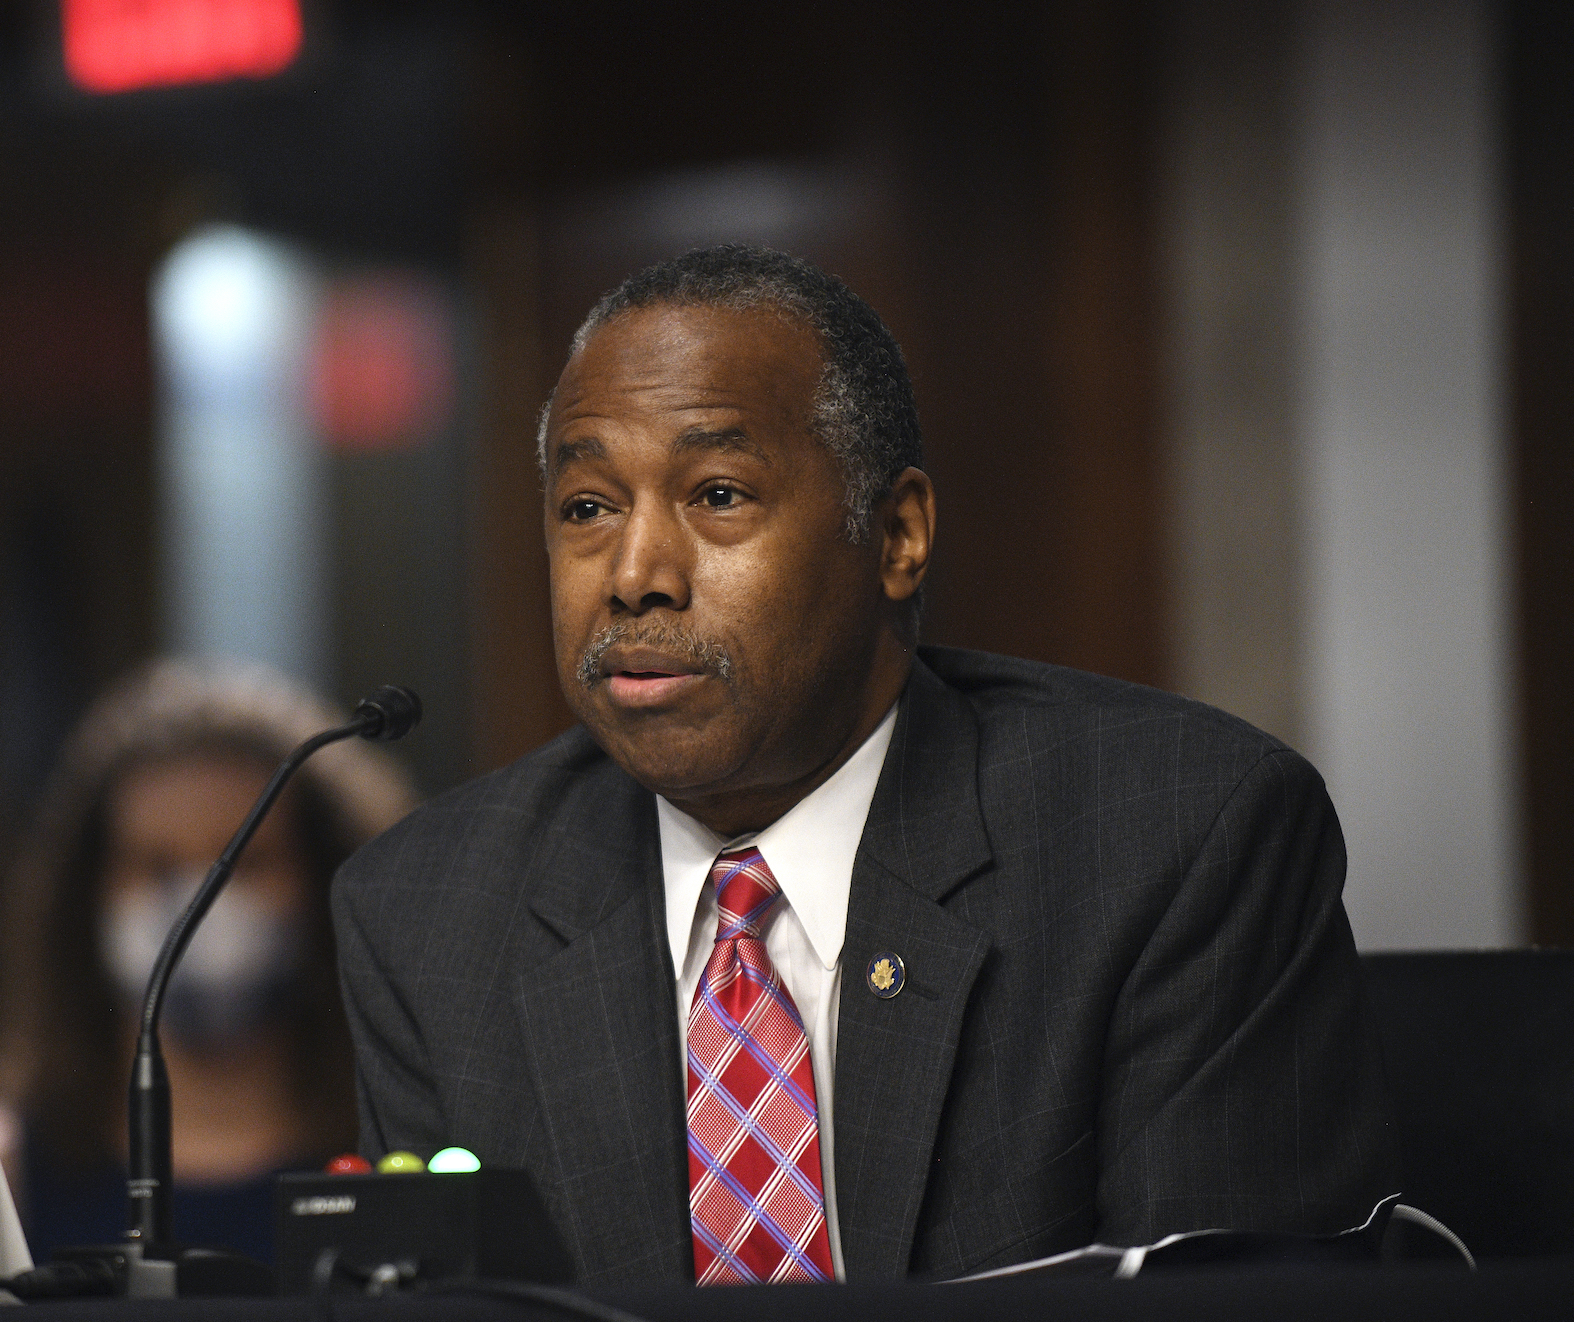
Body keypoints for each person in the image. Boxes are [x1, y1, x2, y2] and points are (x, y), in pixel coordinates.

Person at [331, 246, 1395, 1287]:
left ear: (895, 534)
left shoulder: (1175, 836)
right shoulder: (428, 911)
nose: (634, 575)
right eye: (587, 508)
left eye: (717, 494)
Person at [0, 660, 414, 1264]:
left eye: (246, 863)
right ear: (87, 896)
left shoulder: (403, 1157)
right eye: (155, 866)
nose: (199, 901)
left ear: (329, 879)